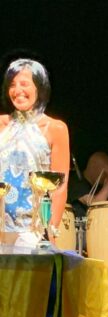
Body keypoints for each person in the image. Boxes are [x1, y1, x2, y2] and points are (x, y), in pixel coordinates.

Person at [0, 58, 69, 247]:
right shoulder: (1, 125)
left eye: (24, 84)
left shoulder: (55, 128)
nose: (17, 90)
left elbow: (60, 187)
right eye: (12, 85)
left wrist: (50, 231)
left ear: (39, 87)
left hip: (34, 231)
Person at [67, 151, 108, 217]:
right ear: (95, 168)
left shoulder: (99, 187)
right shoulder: (76, 182)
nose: (106, 175)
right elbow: (95, 206)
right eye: (105, 172)